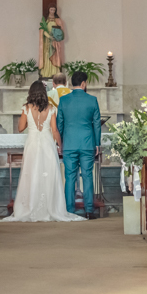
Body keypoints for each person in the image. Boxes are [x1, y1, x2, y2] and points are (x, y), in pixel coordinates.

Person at [0, 81, 84, 223]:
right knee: (49, 174)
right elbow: (55, 130)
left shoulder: (26, 107)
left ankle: (30, 206)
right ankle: (50, 208)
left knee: (31, 174)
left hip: (32, 143)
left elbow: (20, 128)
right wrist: (60, 145)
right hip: (47, 143)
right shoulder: (50, 108)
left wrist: (28, 120)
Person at [57, 71, 102, 219]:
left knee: (69, 177)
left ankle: (70, 211)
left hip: (69, 143)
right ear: (83, 83)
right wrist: (97, 144)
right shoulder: (92, 100)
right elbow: (97, 124)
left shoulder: (63, 100)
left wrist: (60, 143)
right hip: (87, 143)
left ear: (72, 83)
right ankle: (89, 210)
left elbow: (60, 124)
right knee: (87, 176)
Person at [39, 5, 66, 79]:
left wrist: (57, 35)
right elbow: (42, 30)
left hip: (54, 41)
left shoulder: (57, 20)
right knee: (47, 55)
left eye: (54, 10)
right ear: (48, 10)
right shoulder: (45, 20)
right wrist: (49, 36)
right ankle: (46, 72)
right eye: (51, 10)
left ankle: (55, 72)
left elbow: (61, 31)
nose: (52, 11)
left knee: (54, 55)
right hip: (47, 41)